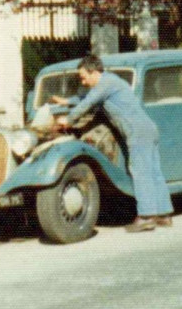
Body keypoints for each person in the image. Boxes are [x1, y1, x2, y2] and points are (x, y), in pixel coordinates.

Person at [53, 54, 174, 232]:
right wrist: (67, 101)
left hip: (137, 132)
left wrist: (68, 120)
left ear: (93, 72)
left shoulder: (105, 84)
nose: (83, 82)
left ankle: (147, 216)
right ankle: (164, 215)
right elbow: (87, 98)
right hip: (148, 129)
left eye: (83, 77)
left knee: (140, 172)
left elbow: (89, 102)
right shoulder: (110, 82)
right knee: (153, 171)